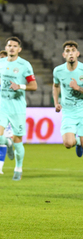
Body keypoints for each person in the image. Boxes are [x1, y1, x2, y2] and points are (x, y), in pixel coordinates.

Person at [53, 40, 83, 183]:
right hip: (68, 111)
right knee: (67, 143)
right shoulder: (58, 71)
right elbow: (55, 86)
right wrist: (56, 102)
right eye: (67, 51)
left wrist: (78, 88)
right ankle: (76, 141)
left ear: (77, 54)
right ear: (63, 54)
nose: (70, 53)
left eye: (73, 51)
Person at [0, 36, 38, 180]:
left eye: (15, 46)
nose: (12, 48)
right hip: (2, 105)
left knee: (18, 139)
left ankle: (18, 167)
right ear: (6, 48)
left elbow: (34, 86)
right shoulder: (1, 63)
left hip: (17, 107)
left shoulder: (25, 65)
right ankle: (7, 142)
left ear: (19, 49)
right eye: (9, 45)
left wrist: (20, 86)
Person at [0, 49, 12, 174]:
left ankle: (0, 168)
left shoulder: (12, 75)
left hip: (6, 109)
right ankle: (8, 141)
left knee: (1, 138)